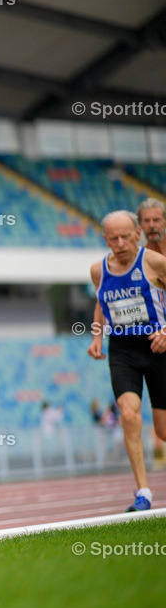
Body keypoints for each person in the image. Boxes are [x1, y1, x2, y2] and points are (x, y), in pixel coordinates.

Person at [86, 210, 166, 511]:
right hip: (122, 350)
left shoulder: (154, 263)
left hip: (158, 347)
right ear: (105, 240)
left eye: (124, 236)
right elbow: (101, 302)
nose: (119, 243)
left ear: (137, 234)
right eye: (112, 238)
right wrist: (96, 336)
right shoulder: (98, 270)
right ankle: (143, 492)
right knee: (129, 414)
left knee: (162, 431)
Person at [137, 198, 166, 465]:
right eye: (146, 220)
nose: (152, 225)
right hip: (157, 344)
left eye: (157, 219)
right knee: (162, 430)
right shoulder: (142, 261)